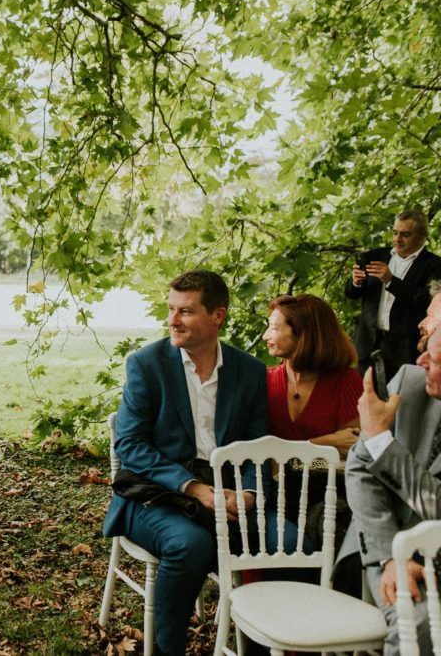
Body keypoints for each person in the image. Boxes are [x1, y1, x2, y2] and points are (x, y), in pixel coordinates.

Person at [102, 270, 278, 655]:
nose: (172, 320)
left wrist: (247, 495)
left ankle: (268, 646)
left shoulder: (248, 370)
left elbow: (258, 448)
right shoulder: (147, 364)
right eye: (171, 309)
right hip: (156, 493)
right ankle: (168, 650)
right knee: (190, 545)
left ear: (218, 316)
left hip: (227, 494)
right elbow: (130, 443)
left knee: (291, 540)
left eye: (185, 311)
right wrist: (195, 489)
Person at [345, 323, 441, 654]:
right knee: (422, 622)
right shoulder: (410, 383)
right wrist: (392, 557)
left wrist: (381, 442)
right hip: (388, 539)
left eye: (436, 357)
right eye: (427, 347)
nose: (423, 360)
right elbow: (359, 468)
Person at [263, 294, 361, 519]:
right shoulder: (263, 381)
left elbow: (354, 448)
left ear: (303, 334)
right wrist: (323, 443)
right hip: (273, 501)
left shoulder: (346, 381)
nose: (266, 336)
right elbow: (263, 457)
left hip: (331, 498)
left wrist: (289, 453)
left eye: (275, 329)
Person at [346, 209, 441, 380]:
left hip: (405, 349)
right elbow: (351, 294)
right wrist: (355, 282)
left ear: (422, 235)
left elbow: (427, 301)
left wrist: (391, 281)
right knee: (362, 399)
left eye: (405, 234)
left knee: (399, 402)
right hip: (367, 344)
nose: (397, 239)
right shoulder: (374, 256)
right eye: (395, 233)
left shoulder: (434, 265)